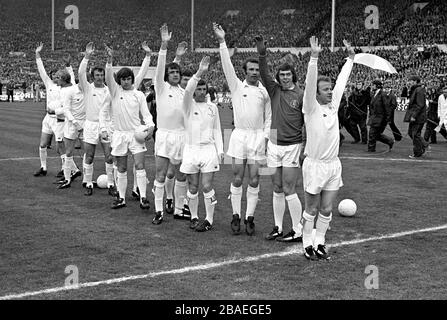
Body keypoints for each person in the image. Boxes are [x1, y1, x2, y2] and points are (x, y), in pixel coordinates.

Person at [214, 23, 271, 236]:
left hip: (258, 138)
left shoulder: (265, 92)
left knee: (255, 179)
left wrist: (266, 137)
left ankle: (250, 218)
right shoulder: (237, 86)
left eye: (257, 70)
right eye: (251, 70)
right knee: (237, 178)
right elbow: (226, 65)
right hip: (238, 136)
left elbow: (270, 117)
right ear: (245, 72)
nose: (255, 73)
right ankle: (236, 215)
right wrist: (222, 41)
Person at [300, 37, 355, 260]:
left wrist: (350, 59)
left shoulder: (333, 107)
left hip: (334, 165)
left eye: (330, 89)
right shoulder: (310, 108)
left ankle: (320, 242)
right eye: (325, 89)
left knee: (326, 209)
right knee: (311, 209)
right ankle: (306, 243)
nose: (330, 92)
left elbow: (342, 81)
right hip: (314, 165)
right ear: (315, 93)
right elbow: (310, 82)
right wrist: (314, 57)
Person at [255, 34, 304, 243]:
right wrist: (262, 53)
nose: (284, 77)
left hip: (292, 146)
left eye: (287, 74)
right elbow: (264, 73)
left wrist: (306, 146)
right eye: (281, 75)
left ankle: (297, 229)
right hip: (274, 145)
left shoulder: (301, 95)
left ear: (293, 76)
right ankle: (277, 227)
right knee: (276, 187)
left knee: (289, 188)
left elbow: (308, 122)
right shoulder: (274, 90)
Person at [101, 43, 155, 210]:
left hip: (136, 135)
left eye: (128, 78)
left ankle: (143, 197)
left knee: (139, 166)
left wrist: (151, 127)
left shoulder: (138, 94)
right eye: (123, 79)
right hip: (119, 135)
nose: (126, 81)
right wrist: (109, 60)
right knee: (122, 167)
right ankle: (121, 198)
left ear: (132, 79)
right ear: (119, 81)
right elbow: (109, 76)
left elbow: (146, 115)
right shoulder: (114, 92)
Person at [152, 24, 190, 224]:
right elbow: (161, 69)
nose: (175, 74)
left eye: (178, 72)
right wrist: (164, 46)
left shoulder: (185, 93)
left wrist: (179, 58)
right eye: (172, 72)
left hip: (181, 136)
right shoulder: (161, 87)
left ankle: (177, 208)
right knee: (160, 173)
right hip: (164, 135)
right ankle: (158, 210)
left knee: (180, 175)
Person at [181, 56, 224, 232]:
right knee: (192, 186)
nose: (199, 91)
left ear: (206, 91)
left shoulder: (212, 108)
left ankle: (209, 219)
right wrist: (199, 73)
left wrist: (220, 150)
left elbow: (217, 130)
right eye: (197, 88)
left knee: (207, 186)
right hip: (191, 149)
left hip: (208, 150)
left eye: (202, 89)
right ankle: (193, 216)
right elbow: (188, 89)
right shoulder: (187, 105)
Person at [33, 42, 71, 178]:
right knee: (43, 144)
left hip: (59, 119)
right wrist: (38, 54)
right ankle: (43, 168)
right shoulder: (48, 83)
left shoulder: (65, 88)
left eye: (57, 75)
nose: (55, 77)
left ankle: (64, 169)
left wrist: (68, 65)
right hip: (48, 119)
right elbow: (41, 70)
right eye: (53, 75)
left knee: (60, 147)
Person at [56, 55, 86, 190]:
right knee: (68, 152)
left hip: (80, 124)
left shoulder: (70, 89)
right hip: (71, 124)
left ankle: (86, 179)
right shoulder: (68, 89)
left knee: (86, 153)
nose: (55, 80)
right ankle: (67, 179)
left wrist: (56, 110)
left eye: (57, 78)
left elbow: (66, 110)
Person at [367, 79, 394, 152]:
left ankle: (371, 149)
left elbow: (387, 107)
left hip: (380, 118)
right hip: (374, 117)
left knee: (372, 133)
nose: (372, 86)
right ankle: (390, 141)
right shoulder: (374, 94)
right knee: (376, 134)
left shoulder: (383, 95)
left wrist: (388, 119)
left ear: (377, 86)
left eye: (373, 85)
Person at [404, 75, 427, 158]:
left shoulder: (419, 90)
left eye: (410, 81)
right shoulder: (415, 89)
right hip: (416, 116)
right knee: (411, 133)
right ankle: (423, 145)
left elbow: (419, 105)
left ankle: (417, 152)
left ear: (414, 81)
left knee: (415, 134)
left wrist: (414, 116)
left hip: (418, 117)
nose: (409, 82)